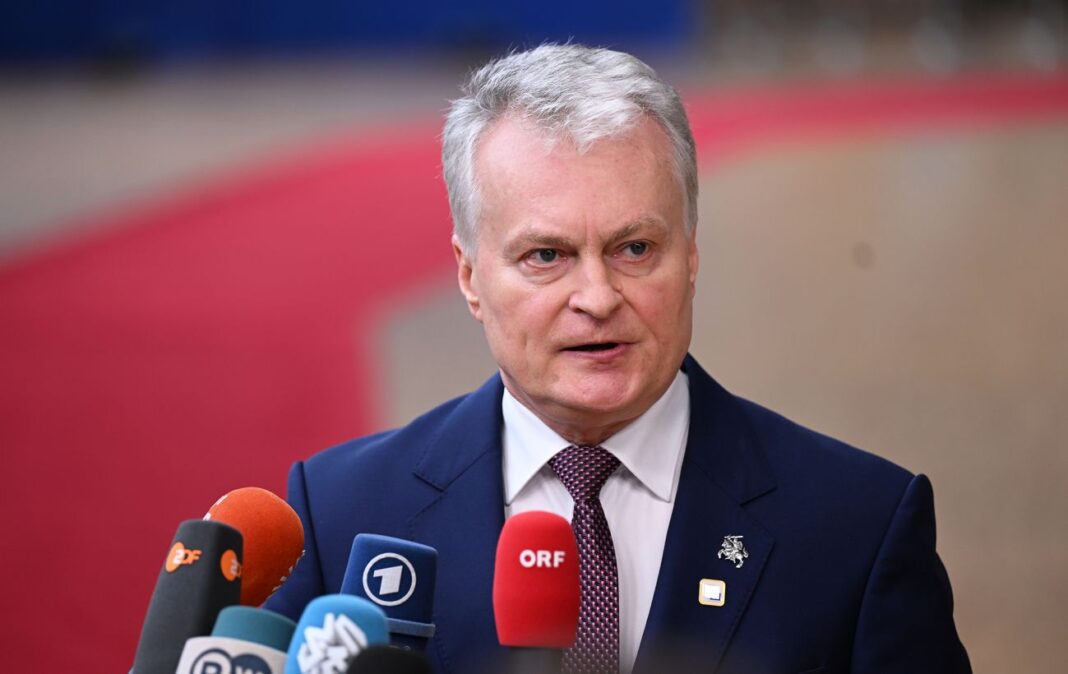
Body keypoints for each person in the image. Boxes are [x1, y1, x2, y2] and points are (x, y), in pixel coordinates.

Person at [265, 44, 971, 674]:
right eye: (547, 255)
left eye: (635, 249)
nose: (598, 298)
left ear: (690, 256)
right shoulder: (340, 515)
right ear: (470, 276)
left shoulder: (859, 526)